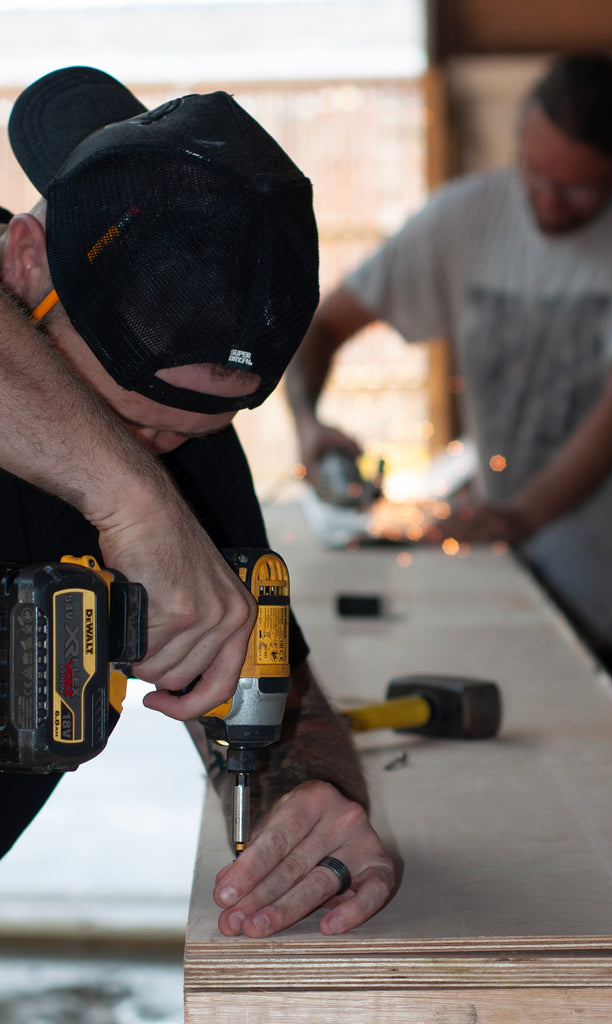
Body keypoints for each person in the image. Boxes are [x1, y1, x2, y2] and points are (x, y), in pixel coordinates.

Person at [0, 66, 395, 938]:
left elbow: (263, 675)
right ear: (26, 263)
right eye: (125, 418)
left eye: (189, 436)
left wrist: (310, 795)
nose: (163, 454)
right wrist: (134, 502)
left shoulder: (183, 425)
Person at [285, 53, 612, 754]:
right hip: (521, 587)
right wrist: (311, 425)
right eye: (539, 175)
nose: (551, 203)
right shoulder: (470, 217)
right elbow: (319, 327)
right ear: (521, 142)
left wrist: (518, 515)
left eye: (580, 189)